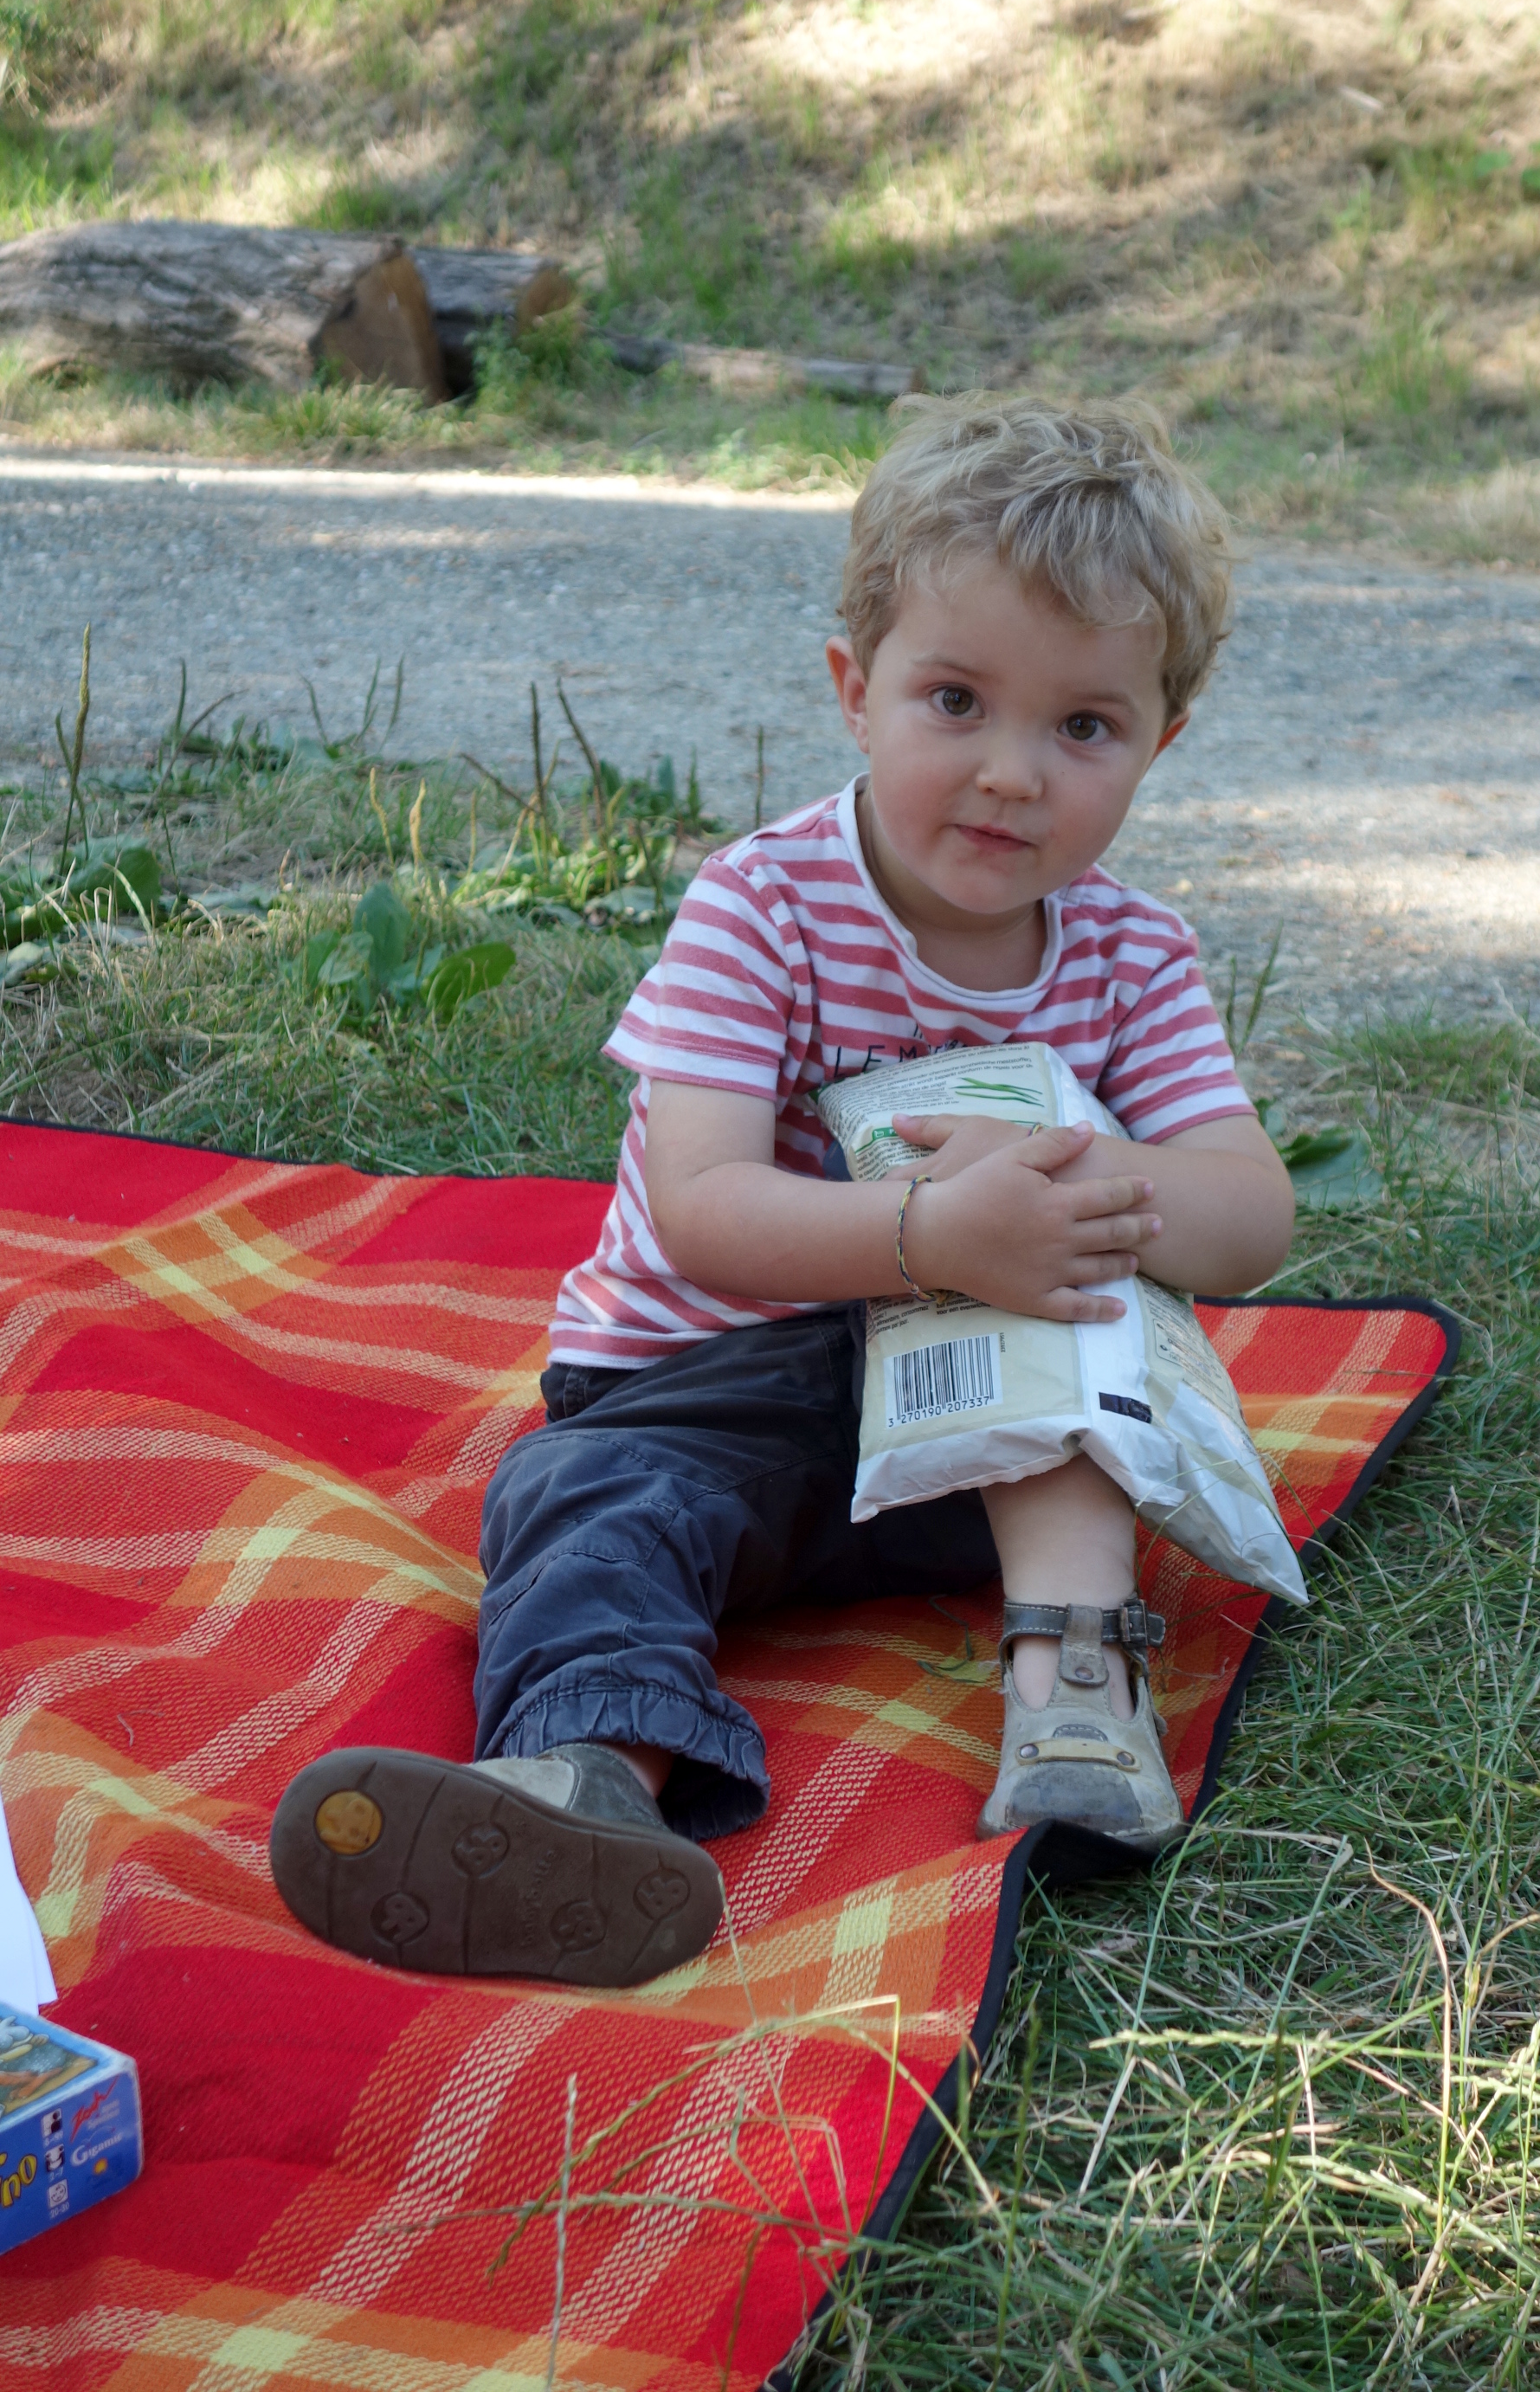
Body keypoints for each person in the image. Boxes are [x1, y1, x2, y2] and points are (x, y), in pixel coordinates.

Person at [269, 397, 1296, 1988]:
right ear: (853, 690)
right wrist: (928, 1235)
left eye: (1084, 727)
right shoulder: (764, 905)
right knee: (581, 1500)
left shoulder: (1133, 954)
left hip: (975, 1451)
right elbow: (704, 1210)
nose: (1011, 774)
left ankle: (1075, 1704)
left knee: (1076, 1358)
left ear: (1159, 744)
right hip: (706, 1385)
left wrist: (1099, 1187)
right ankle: (584, 1785)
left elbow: (1253, 1215)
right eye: (955, 700)